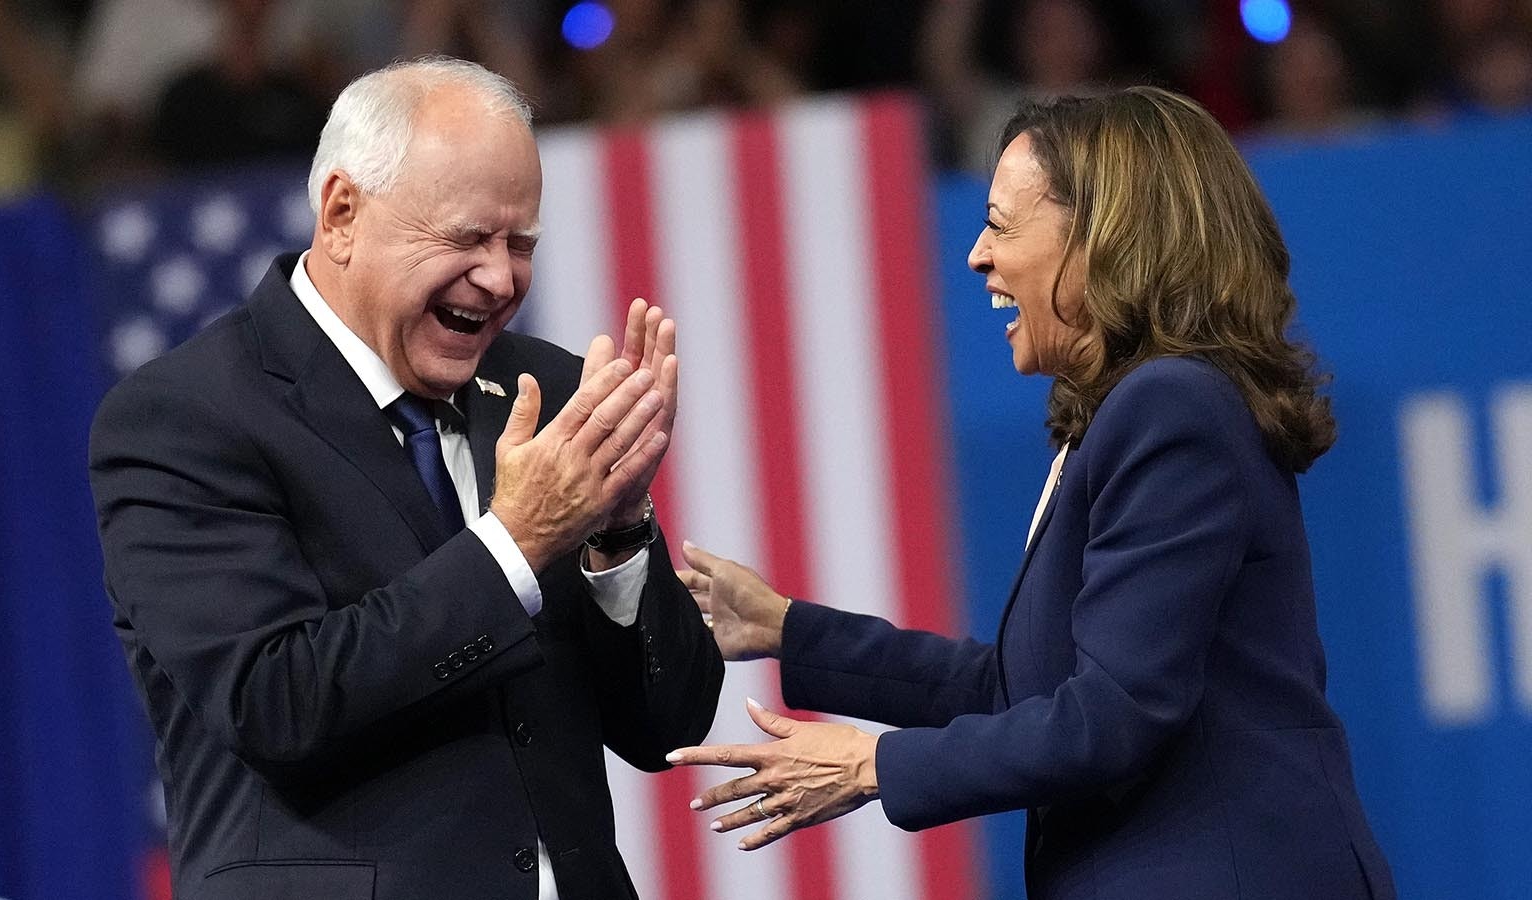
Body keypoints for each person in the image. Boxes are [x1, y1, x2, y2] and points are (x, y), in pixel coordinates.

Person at [668, 87, 1396, 900]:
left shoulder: (1171, 407)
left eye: (1002, 224)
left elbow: (1111, 715)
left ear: (1105, 239)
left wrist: (873, 765)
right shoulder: (1132, 414)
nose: (977, 254)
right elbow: (1021, 694)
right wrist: (786, 629)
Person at [89, 57, 723, 900]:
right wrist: (517, 543)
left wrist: (619, 532)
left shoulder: (545, 395)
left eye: (520, 244)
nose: (500, 279)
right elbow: (275, 701)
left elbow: (667, 727)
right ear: (343, 213)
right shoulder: (184, 418)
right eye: (467, 238)